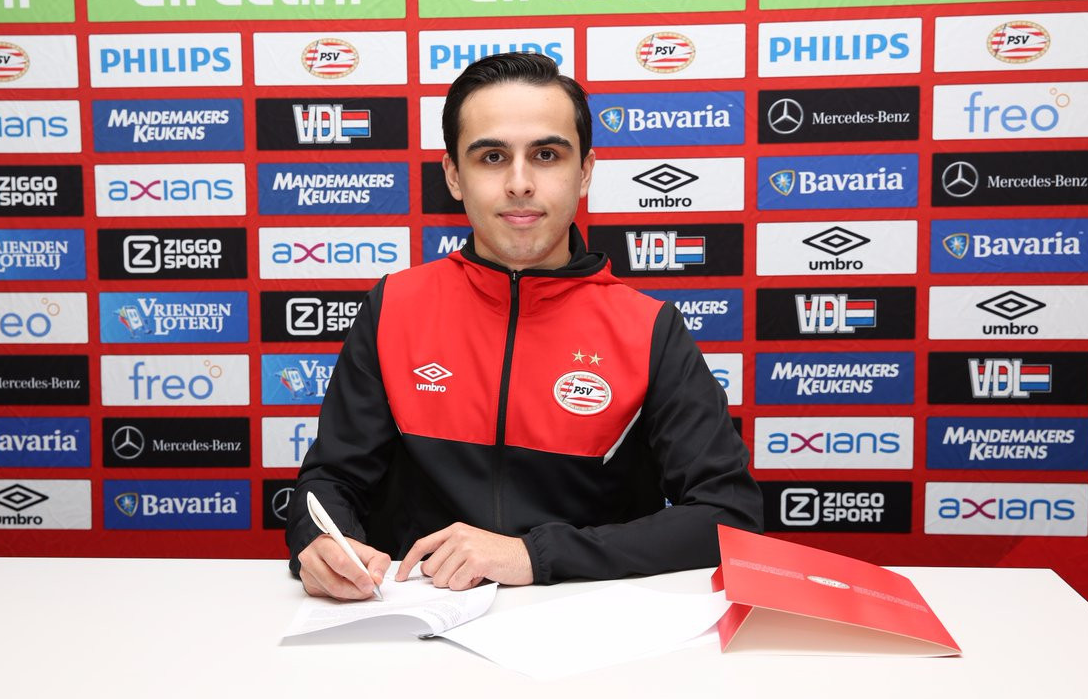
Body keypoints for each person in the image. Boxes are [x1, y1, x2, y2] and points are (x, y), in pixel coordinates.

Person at [286, 52, 762, 600]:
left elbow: (730, 516)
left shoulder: (648, 328)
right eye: (492, 157)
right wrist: (321, 542)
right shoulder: (394, 306)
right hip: (418, 620)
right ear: (454, 176)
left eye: (546, 155)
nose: (519, 183)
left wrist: (533, 555)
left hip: (590, 627)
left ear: (584, 172)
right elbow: (330, 483)